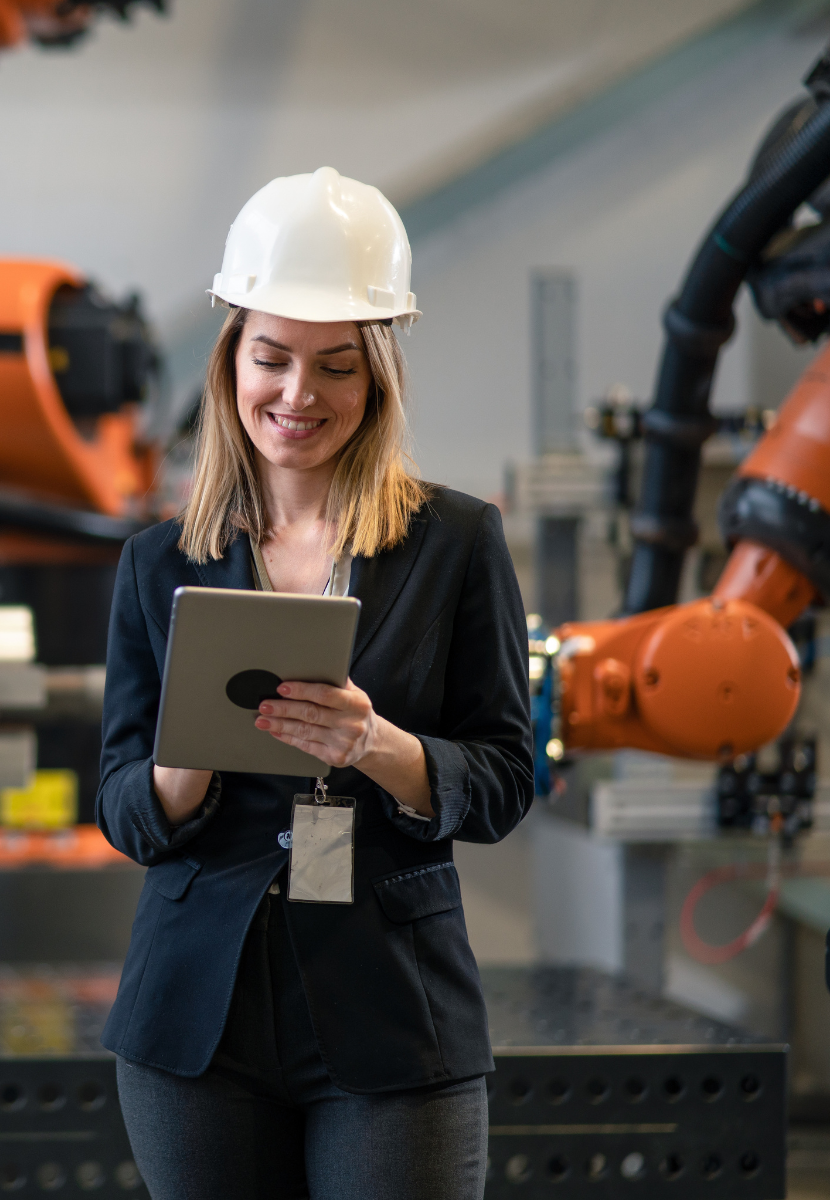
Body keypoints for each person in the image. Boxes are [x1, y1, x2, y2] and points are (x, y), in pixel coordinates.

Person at [96, 167, 533, 1200]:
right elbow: (119, 802)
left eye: (335, 366)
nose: (299, 396)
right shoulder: (160, 562)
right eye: (272, 358)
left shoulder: (456, 542)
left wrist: (378, 745)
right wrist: (183, 763)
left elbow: (507, 775)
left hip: (390, 1008)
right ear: (231, 364)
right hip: (196, 1015)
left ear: (375, 377)